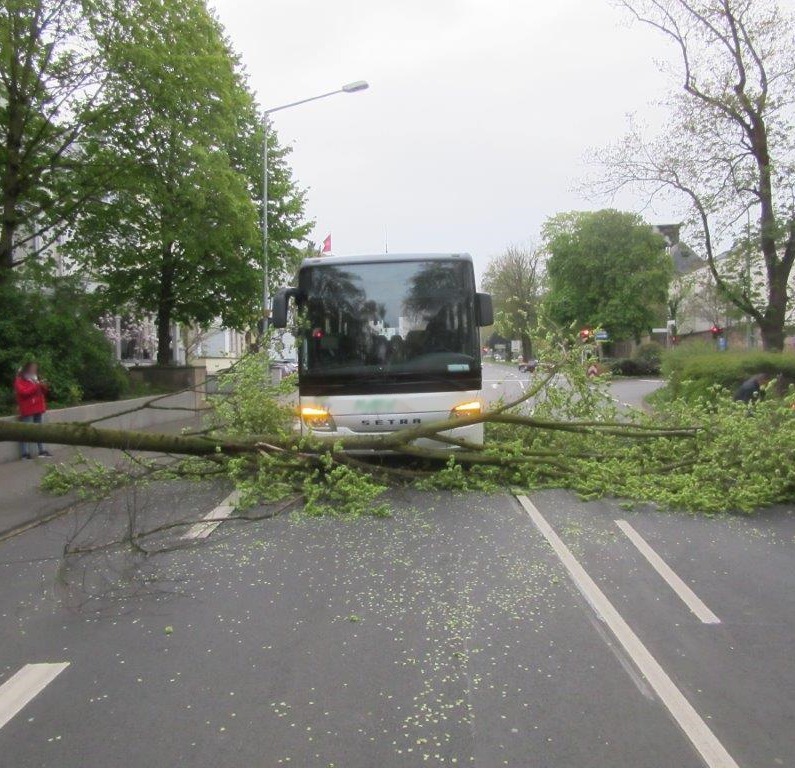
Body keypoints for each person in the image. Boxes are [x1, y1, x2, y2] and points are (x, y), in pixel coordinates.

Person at [13, 360, 52, 459]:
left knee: (39, 430)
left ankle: (42, 451)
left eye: (35, 368)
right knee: (26, 430)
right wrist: (36, 386)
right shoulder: (20, 380)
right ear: (27, 368)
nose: (34, 370)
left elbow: (43, 392)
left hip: (38, 407)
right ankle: (25, 453)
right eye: (32, 368)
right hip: (28, 408)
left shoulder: (36, 379)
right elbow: (23, 393)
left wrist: (43, 386)